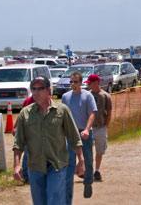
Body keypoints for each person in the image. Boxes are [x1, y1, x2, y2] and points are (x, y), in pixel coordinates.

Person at [13, 77, 85, 204]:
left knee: (54, 201)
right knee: (39, 202)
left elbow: (74, 137)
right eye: (33, 89)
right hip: (35, 165)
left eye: (40, 88)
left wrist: (81, 160)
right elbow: (18, 142)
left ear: (48, 90)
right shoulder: (25, 113)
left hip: (57, 164)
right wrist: (17, 165)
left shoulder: (62, 110)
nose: (36, 92)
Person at [61, 71, 97, 201]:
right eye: (71, 82)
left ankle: (88, 182)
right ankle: (67, 187)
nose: (73, 84)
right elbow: (62, 115)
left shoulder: (88, 96)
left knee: (87, 158)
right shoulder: (65, 97)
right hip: (70, 133)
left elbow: (92, 113)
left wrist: (87, 129)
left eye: (75, 82)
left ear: (81, 83)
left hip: (84, 132)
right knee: (69, 160)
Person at [87, 74, 112, 183]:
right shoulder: (87, 95)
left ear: (96, 83)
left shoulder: (105, 95)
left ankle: (97, 170)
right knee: (87, 150)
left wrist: (106, 125)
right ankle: (88, 170)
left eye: (90, 83)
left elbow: (109, 112)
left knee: (99, 150)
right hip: (89, 127)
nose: (88, 85)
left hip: (101, 126)